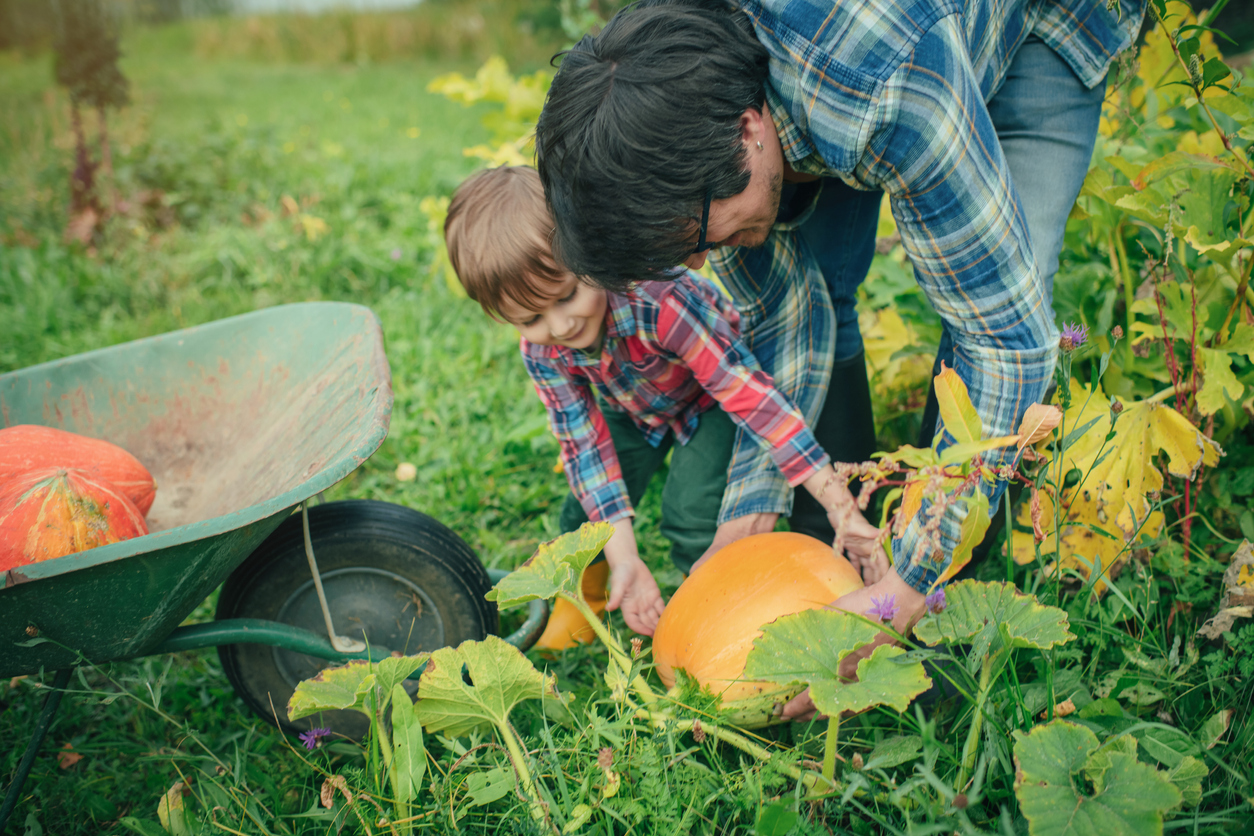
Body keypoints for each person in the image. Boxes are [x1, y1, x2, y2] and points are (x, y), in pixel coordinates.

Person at [535, 0, 1145, 708]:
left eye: (696, 238)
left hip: (1038, 25)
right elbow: (783, 308)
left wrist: (907, 591)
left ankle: (945, 602)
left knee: (1007, 291)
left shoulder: (882, 90)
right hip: (844, 71)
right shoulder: (678, 88)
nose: (700, 264)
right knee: (810, 270)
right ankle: (849, 522)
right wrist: (754, 504)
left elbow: (1006, 344)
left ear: (748, 128)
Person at [443, 165, 886, 645]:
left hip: (708, 403)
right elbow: (583, 445)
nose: (561, 326)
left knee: (692, 514)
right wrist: (624, 557)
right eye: (531, 318)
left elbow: (751, 398)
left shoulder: (660, 299)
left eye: (568, 294)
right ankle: (587, 602)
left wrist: (837, 501)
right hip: (634, 410)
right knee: (581, 520)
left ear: (589, 248)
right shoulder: (542, 351)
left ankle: (732, 613)